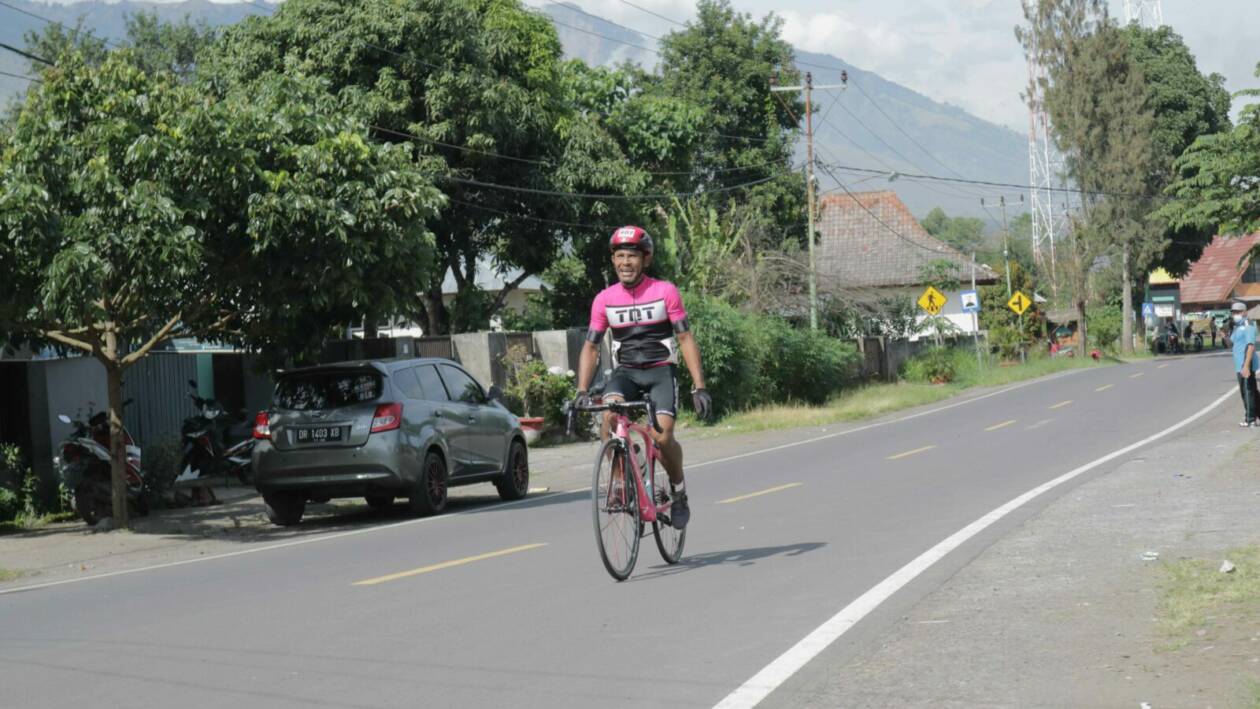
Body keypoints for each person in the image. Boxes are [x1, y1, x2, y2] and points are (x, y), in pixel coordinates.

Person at [574, 226, 712, 530]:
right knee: (609, 413)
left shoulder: (665, 291)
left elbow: (686, 338)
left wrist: (700, 387)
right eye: (620, 256)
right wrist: (581, 390)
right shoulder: (604, 300)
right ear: (613, 261)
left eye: (632, 256)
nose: (625, 262)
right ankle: (622, 476)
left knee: (662, 438)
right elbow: (591, 346)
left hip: (661, 371)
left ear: (645, 260)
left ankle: (678, 492)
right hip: (626, 374)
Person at [1228, 302, 1260, 427]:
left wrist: (1246, 366)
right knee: (1250, 391)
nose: (1235, 314)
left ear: (1245, 312)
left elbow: (1250, 346)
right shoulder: (1237, 326)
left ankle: (1250, 419)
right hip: (1239, 365)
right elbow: (1231, 343)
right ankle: (1254, 415)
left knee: (1247, 391)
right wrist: (1224, 336)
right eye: (1234, 312)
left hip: (1246, 364)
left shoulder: (1249, 325)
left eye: (1238, 312)